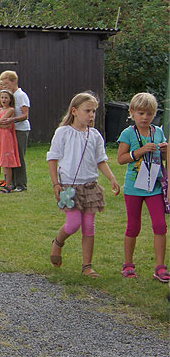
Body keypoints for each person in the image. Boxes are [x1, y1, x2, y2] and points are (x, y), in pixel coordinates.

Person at [48, 92, 120, 278]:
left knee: (89, 226)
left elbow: (101, 160)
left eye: (94, 111)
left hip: (90, 187)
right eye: (87, 110)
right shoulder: (63, 133)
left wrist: (112, 178)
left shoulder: (95, 135)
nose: (91, 115)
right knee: (73, 225)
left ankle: (87, 266)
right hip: (69, 187)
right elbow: (53, 158)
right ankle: (58, 243)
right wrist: (56, 184)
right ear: (74, 111)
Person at [116, 92, 169, 282]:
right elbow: (121, 159)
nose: (145, 117)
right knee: (133, 226)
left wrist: (164, 151)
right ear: (131, 112)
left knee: (160, 225)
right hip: (134, 188)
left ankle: (160, 267)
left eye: (149, 114)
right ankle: (128, 264)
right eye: (141, 113)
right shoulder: (128, 133)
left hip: (154, 186)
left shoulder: (158, 132)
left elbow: (163, 158)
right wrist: (139, 151)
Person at [0, 70, 30, 191]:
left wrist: (12, 120)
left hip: (20, 129)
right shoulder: (9, 95)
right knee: (11, 156)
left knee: (20, 156)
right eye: (3, 84)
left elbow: (25, 115)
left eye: (6, 83)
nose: (5, 86)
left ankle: (21, 184)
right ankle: (11, 183)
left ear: (14, 82)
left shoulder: (21, 95)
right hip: (10, 131)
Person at [0, 89, 20, 192]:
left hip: (7, 137)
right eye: (2, 97)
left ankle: (8, 185)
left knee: (6, 162)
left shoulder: (10, 110)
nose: (4, 99)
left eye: (6, 97)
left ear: (10, 99)